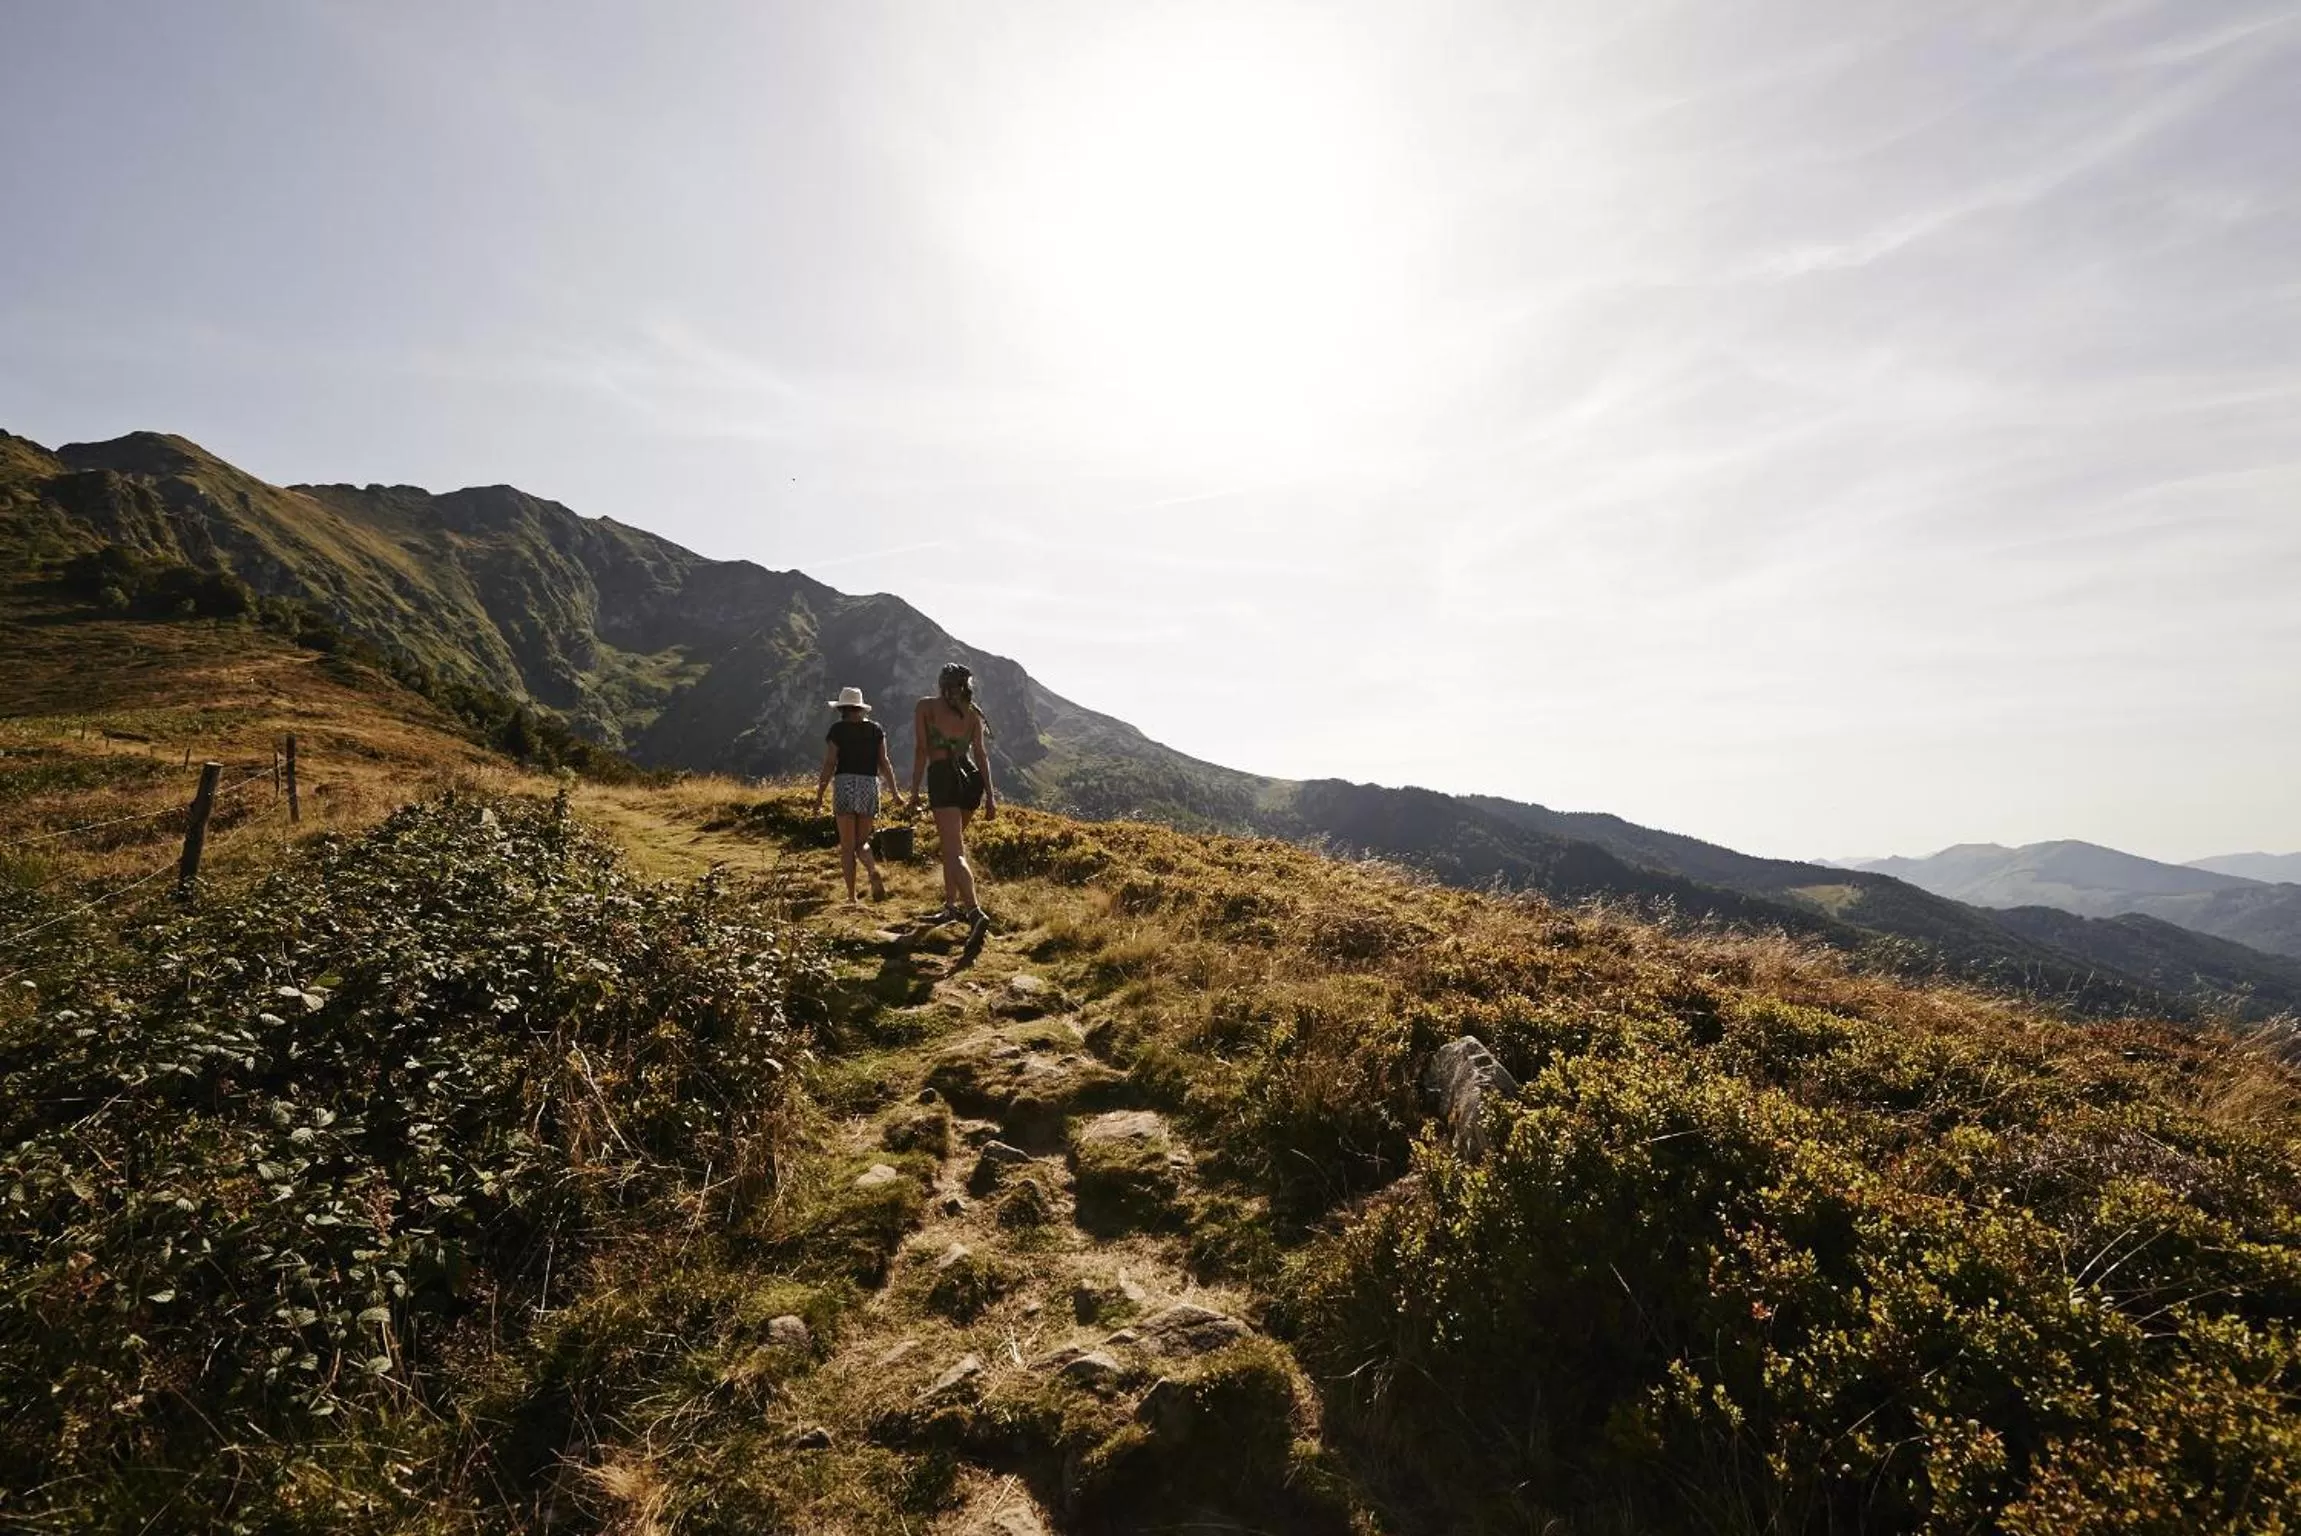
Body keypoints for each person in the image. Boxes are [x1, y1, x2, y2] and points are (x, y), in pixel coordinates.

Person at [910, 661, 996, 921]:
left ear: (941, 683)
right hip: (971, 779)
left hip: (944, 776)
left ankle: (974, 911)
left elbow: (921, 751)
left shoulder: (925, 707)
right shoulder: (973, 714)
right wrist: (990, 797)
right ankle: (950, 907)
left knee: (954, 850)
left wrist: (914, 791)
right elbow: (981, 756)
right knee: (951, 848)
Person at [814, 686, 904, 902]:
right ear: (861, 708)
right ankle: (872, 870)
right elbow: (885, 763)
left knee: (847, 847)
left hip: (844, 785)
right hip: (869, 786)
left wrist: (819, 794)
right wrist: (895, 793)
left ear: (843, 708)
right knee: (861, 842)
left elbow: (829, 763)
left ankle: (852, 897)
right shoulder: (875, 730)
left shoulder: (837, 730)